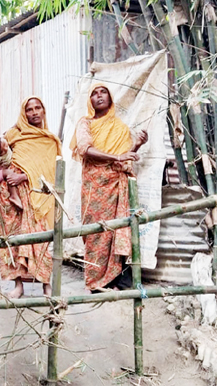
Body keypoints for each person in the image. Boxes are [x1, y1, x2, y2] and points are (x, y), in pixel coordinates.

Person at [70, 83, 148, 291]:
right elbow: (85, 149)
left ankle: (117, 280)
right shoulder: (85, 123)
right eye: (94, 93)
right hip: (95, 186)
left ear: (110, 98)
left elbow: (123, 161)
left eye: (103, 92)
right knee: (96, 232)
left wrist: (137, 146)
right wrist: (117, 156)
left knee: (118, 230)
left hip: (116, 183)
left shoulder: (120, 127)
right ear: (90, 101)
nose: (99, 96)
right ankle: (96, 281)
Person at [0, 96, 62, 298]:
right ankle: (18, 286)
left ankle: (46, 285)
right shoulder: (12, 135)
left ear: (43, 111)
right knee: (14, 238)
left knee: (40, 238)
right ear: (23, 114)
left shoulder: (49, 140)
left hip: (36, 194)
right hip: (11, 194)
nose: (34, 112)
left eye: (37, 108)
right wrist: (8, 176)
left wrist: (23, 175)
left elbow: (51, 170)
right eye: (29, 109)